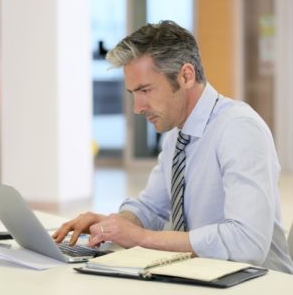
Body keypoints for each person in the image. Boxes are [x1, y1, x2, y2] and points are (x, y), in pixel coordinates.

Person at [53, 21, 293, 273]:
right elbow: (151, 207)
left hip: (256, 283)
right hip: (200, 276)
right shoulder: (177, 135)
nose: (138, 107)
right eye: (133, 93)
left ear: (186, 76)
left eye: (145, 90)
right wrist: (114, 224)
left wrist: (141, 238)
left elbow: (247, 243)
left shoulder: (239, 128)